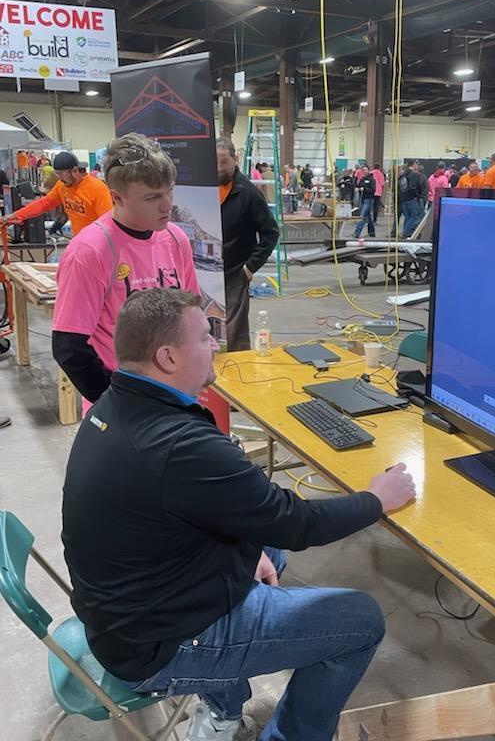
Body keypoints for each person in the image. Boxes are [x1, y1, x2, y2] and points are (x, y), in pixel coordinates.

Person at [62, 287, 417, 741]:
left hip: (127, 614)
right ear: (168, 357)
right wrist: (376, 499)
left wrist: (244, 554)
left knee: (265, 550)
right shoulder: (180, 445)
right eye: (204, 337)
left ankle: (221, 709)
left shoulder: (115, 405)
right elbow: (296, 523)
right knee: (360, 619)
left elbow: (198, 513)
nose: (215, 343)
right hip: (159, 647)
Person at [52, 133, 199, 406]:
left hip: (175, 396)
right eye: (152, 197)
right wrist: (117, 403)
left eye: (169, 191)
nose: (167, 205)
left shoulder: (176, 239)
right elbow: (69, 347)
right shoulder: (89, 251)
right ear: (117, 197)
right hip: (122, 401)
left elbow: (191, 316)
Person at [217, 138, 279, 352]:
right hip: (207, 273)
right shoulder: (206, 190)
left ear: (235, 159)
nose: (219, 168)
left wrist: (250, 267)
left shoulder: (249, 194)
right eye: (214, 163)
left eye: (224, 162)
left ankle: (238, 369)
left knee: (234, 333)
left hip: (236, 272)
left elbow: (271, 233)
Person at [0, 151, 112, 236]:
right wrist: (15, 215)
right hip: (79, 241)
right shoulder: (61, 186)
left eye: (62, 174)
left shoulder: (98, 189)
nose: (59, 178)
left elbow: (108, 223)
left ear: (75, 171)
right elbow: (43, 204)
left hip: (98, 243)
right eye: (57, 174)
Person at [393, 159, 424, 239]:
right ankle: (406, 233)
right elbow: (413, 187)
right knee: (415, 217)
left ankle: (406, 233)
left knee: (408, 217)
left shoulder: (403, 175)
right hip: (411, 198)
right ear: (413, 164)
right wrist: (418, 196)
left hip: (403, 199)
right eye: (416, 164)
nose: (417, 166)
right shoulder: (414, 175)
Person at [353, 165, 377, 239]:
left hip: (369, 199)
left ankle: (356, 233)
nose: (365, 171)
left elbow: (373, 190)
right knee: (367, 216)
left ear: (369, 170)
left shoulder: (372, 180)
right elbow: (358, 185)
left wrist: (365, 189)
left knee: (362, 216)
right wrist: (357, 187)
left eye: (366, 170)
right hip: (363, 199)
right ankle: (371, 232)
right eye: (363, 170)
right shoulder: (362, 179)